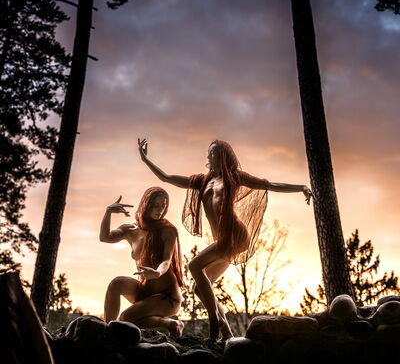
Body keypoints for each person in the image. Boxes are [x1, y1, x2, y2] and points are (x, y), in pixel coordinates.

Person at [138, 138, 313, 341]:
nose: (209, 156)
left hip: (235, 236)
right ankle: (227, 334)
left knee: (194, 266)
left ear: (223, 155)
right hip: (224, 242)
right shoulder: (201, 181)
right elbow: (166, 178)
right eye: (209, 153)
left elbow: (270, 184)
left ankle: (214, 324)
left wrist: (301, 187)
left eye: (213, 152)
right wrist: (145, 159)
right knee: (200, 289)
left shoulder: (235, 177)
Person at [100, 187, 184, 337]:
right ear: (146, 204)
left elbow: (166, 260)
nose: (160, 210)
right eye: (156, 205)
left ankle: (167, 323)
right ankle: (107, 332)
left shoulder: (167, 230)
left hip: (167, 296)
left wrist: (157, 272)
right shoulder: (130, 229)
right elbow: (105, 237)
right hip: (146, 290)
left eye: (163, 206)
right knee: (116, 284)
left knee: (125, 318)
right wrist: (108, 212)